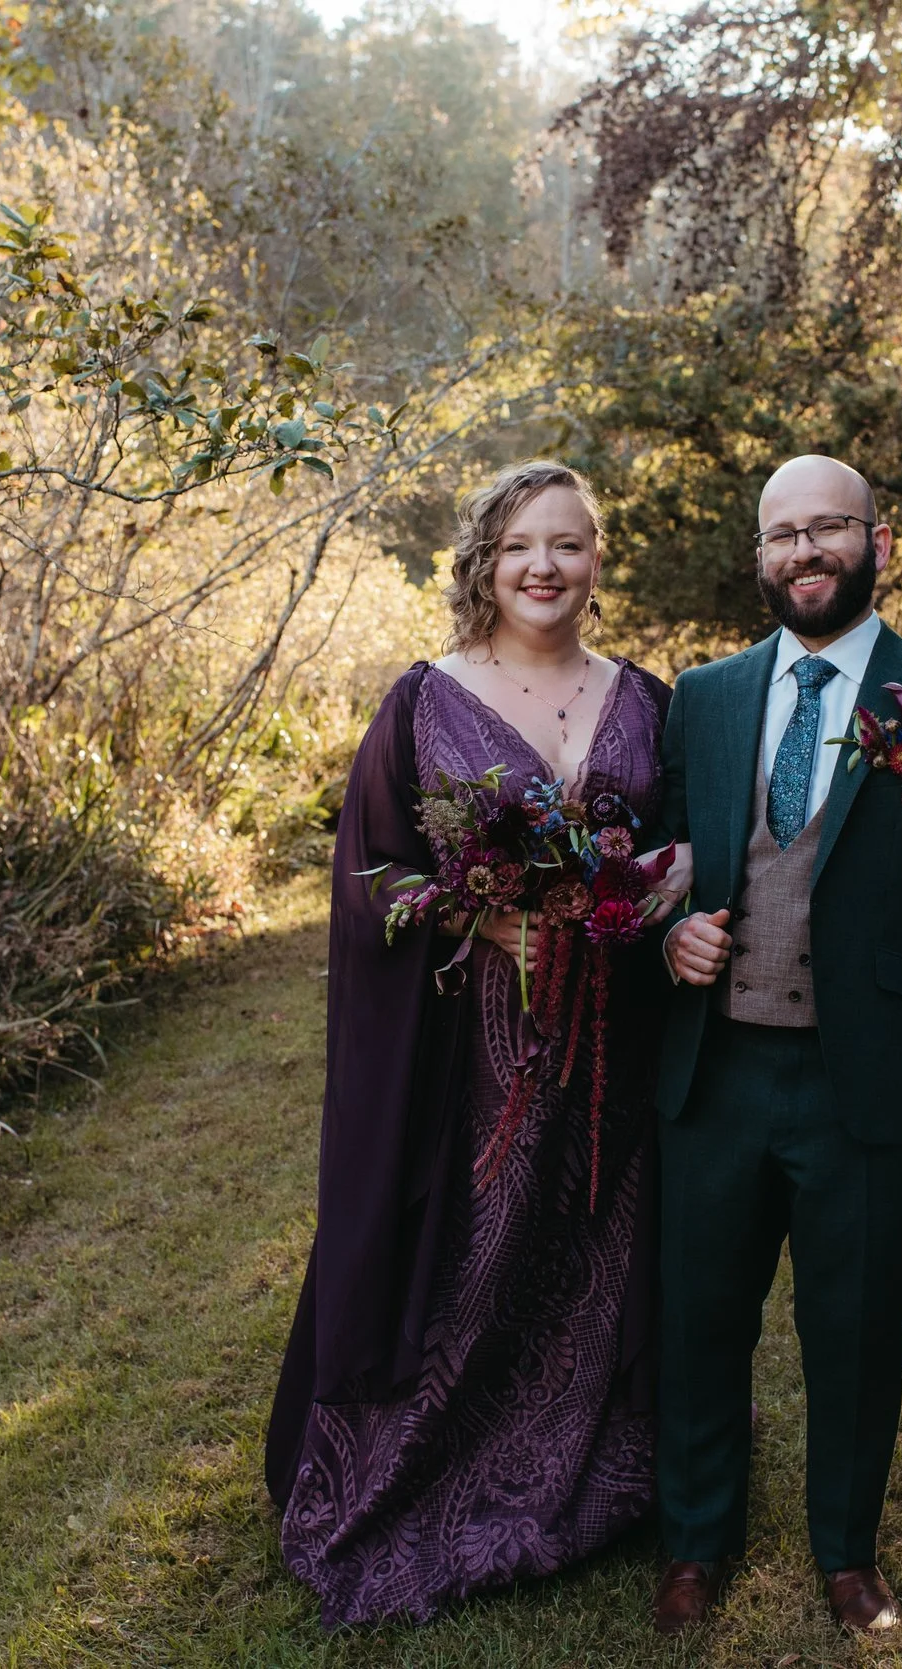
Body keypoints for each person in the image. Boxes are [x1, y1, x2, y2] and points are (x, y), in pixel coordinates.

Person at [265, 460, 687, 1627]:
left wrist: (666, 877)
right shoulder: (424, 699)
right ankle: (409, 1478)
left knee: (593, 1252)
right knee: (468, 1253)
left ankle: (582, 1463)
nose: (544, 567)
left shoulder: (647, 700)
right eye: (520, 547)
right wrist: (480, 912)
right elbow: (372, 871)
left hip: (609, 1046)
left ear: (598, 560)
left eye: (568, 544)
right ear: (484, 565)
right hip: (467, 1051)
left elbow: (680, 839)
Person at [648, 454, 902, 1635]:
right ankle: (696, 1544)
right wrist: (667, 938)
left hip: (870, 1076)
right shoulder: (699, 696)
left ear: (879, 542)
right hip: (715, 1070)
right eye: (782, 536)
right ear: (757, 556)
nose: (804, 553)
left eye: (828, 531)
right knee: (701, 1315)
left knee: (855, 1320)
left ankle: (847, 1554)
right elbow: (660, 863)